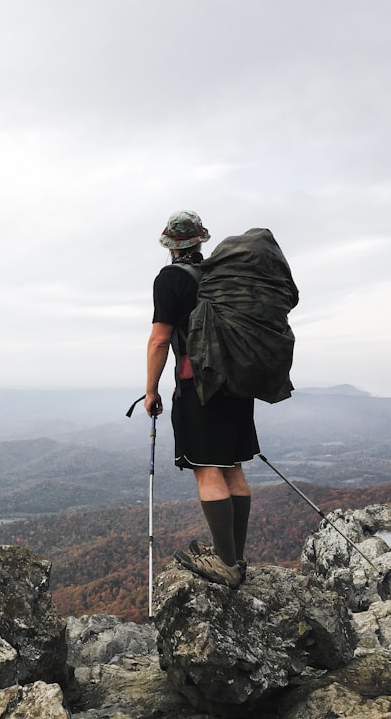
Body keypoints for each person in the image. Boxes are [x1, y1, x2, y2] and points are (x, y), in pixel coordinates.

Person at [144, 210, 258, 588]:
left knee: (208, 470)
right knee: (233, 468)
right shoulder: (220, 276)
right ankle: (236, 557)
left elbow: (160, 339)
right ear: (200, 240)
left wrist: (151, 389)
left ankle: (226, 563)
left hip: (199, 385)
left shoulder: (170, 279)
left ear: (170, 245)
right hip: (237, 384)